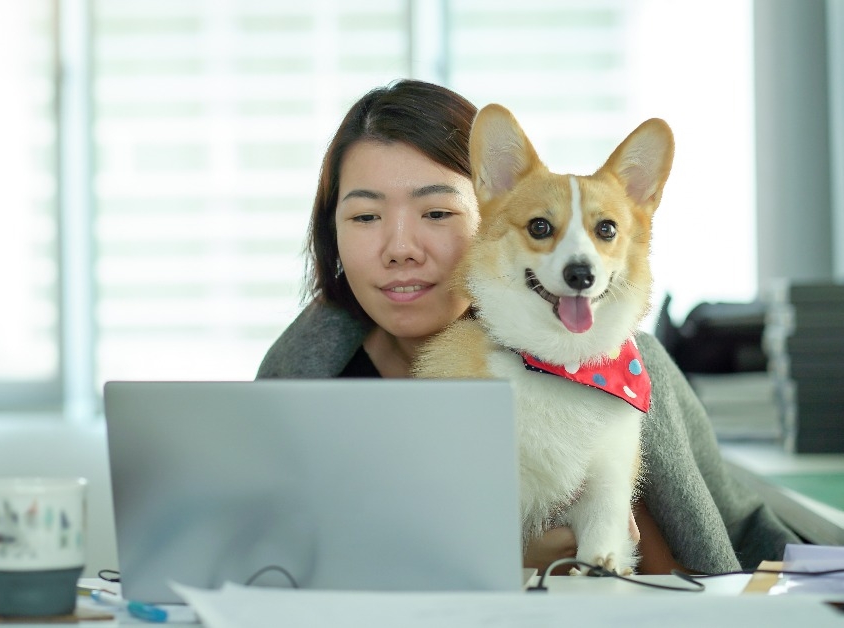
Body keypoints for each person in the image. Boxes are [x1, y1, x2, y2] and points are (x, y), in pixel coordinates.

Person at [256, 79, 798, 575]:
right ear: (331, 232)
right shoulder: (295, 376)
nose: (400, 248)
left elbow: (716, 553)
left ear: (488, 217)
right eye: (365, 216)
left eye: (438, 213)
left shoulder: (620, 370)